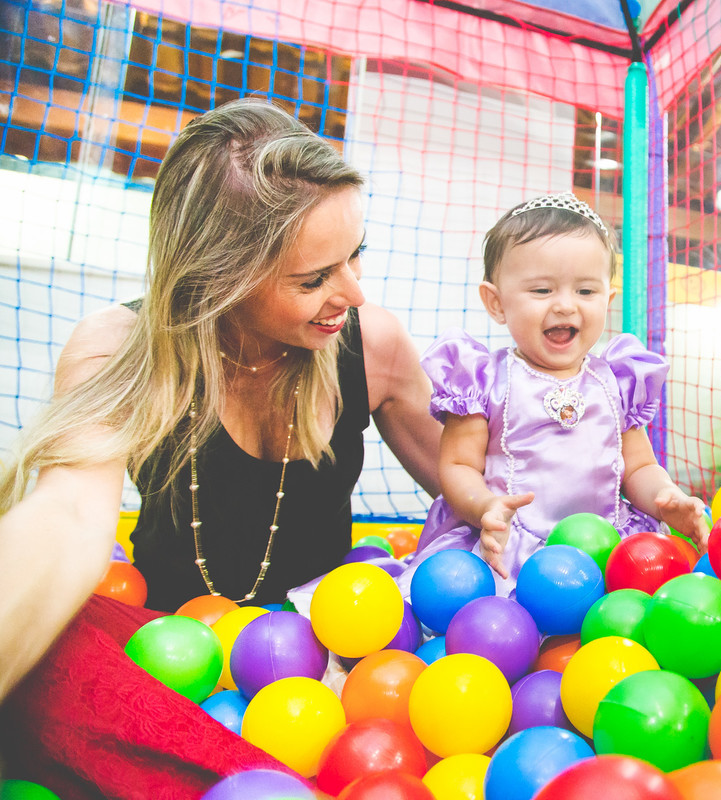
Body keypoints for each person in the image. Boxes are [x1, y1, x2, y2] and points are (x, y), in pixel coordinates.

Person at [0, 98, 442, 792]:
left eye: (355, 255)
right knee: (62, 633)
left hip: (335, 679)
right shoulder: (120, 351)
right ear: (220, 277)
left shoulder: (374, 346)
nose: (352, 293)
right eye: (314, 278)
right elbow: (68, 519)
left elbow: (475, 483)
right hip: (170, 666)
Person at [399, 192, 709, 597]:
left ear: (608, 300)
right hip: (511, 551)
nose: (565, 305)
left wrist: (665, 498)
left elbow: (637, 469)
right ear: (496, 303)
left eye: (585, 292)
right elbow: (457, 466)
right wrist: (484, 508)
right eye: (542, 290)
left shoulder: (616, 380)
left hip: (607, 551)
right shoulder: (485, 380)